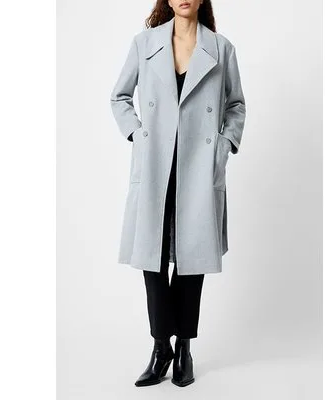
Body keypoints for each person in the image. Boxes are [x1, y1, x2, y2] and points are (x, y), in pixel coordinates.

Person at [110, 0, 246, 388]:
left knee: (192, 258)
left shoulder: (221, 48)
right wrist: (138, 135)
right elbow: (119, 97)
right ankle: (160, 348)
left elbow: (236, 105)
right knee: (151, 258)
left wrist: (224, 144)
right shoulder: (144, 44)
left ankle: (184, 346)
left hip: (198, 164)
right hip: (156, 163)